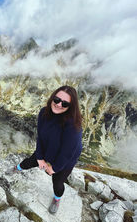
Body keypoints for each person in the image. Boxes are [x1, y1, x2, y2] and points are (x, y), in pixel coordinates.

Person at [6, 85, 82, 214]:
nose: (58, 104)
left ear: (71, 107)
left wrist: (54, 168)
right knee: (29, 162)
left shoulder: (73, 125)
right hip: (47, 149)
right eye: (57, 100)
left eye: (65, 103)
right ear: (52, 98)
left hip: (65, 160)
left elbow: (68, 152)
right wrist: (40, 158)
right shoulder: (44, 113)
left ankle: (57, 199)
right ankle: (17, 168)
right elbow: (40, 136)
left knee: (57, 183)